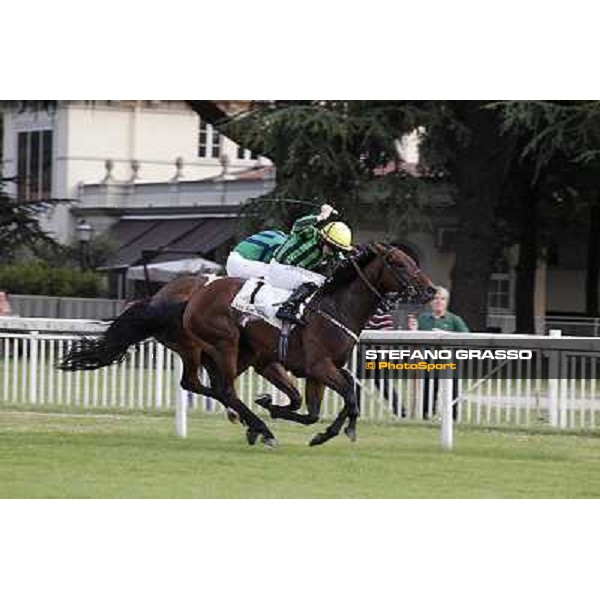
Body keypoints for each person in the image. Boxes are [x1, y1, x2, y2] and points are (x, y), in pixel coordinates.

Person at [268, 203, 353, 325]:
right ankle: (286, 308)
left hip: (291, 273)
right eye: (332, 247)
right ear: (324, 238)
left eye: (338, 249)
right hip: (279, 269)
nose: (333, 252)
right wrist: (321, 216)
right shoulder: (310, 234)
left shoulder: (332, 253)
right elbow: (298, 224)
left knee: (324, 280)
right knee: (316, 282)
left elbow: (344, 262)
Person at [407, 286, 469, 419]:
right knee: (428, 390)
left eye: (442, 299)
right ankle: (426, 415)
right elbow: (416, 340)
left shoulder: (454, 319)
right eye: (436, 298)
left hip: (450, 362)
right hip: (429, 360)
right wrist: (414, 331)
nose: (438, 301)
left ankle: (452, 418)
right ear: (431, 302)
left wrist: (445, 335)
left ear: (446, 302)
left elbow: (466, 337)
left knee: (452, 391)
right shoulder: (423, 318)